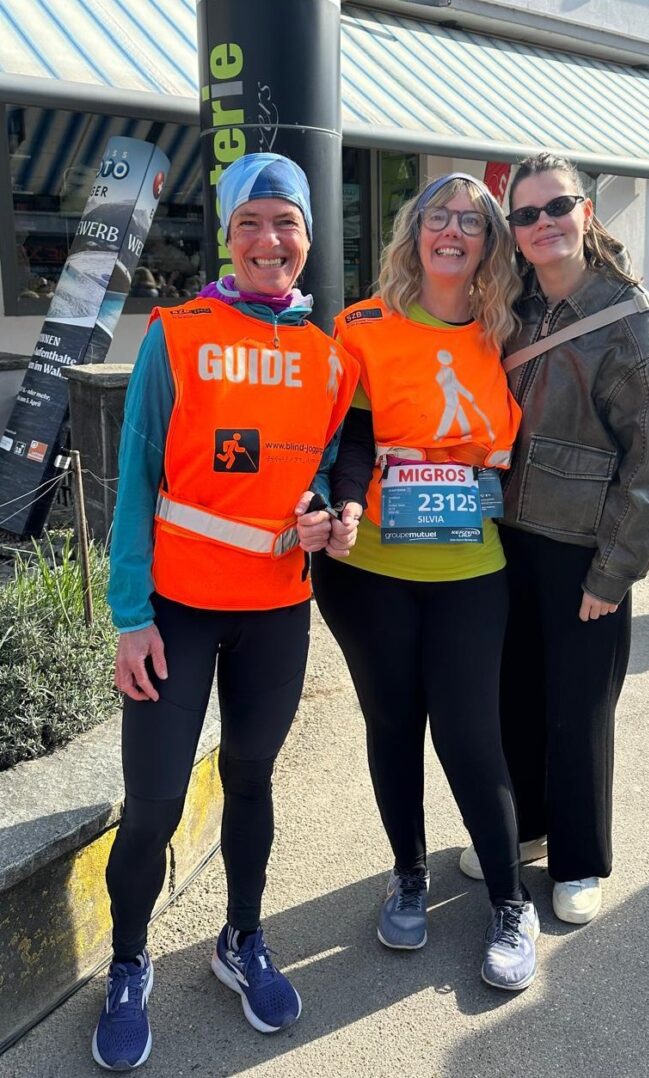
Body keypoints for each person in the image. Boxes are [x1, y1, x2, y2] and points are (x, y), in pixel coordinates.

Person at [92, 152, 358, 1071]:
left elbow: (318, 471)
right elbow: (135, 484)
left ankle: (240, 941)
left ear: (308, 240)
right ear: (229, 236)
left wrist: (330, 513)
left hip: (278, 614)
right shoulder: (175, 333)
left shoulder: (329, 359)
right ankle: (128, 965)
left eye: (286, 223)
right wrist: (132, 616)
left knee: (252, 781)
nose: (269, 240)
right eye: (252, 222)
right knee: (156, 802)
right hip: (177, 615)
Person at [311, 173, 541, 991]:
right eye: (436, 217)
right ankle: (408, 872)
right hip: (371, 567)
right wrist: (338, 504)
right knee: (393, 724)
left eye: (470, 223)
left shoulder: (508, 330)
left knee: (470, 735)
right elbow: (347, 441)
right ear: (413, 233)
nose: (451, 231)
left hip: (472, 568)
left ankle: (511, 901)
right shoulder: (363, 328)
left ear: (488, 245)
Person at [459, 152, 649, 926]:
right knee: (511, 690)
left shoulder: (634, 321)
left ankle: (581, 857)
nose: (542, 223)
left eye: (557, 207)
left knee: (580, 703)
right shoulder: (510, 308)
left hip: (584, 546)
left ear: (586, 212)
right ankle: (524, 826)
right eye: (525, 214)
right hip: (505, 536)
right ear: (513, 230)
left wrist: (613, 572)